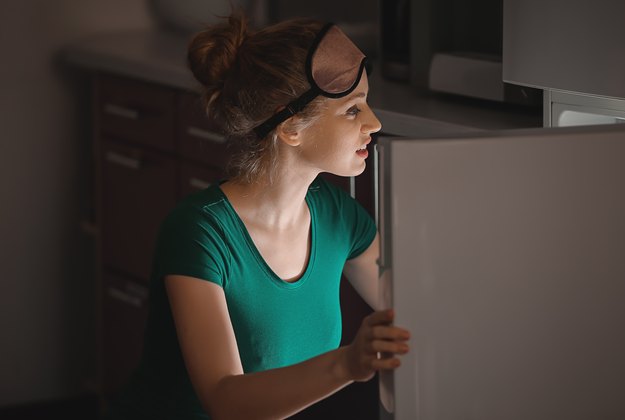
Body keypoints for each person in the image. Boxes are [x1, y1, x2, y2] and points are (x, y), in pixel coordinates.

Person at [104, 10, 410, 420]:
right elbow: (225, 400)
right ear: (291, 128)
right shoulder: (199, 233)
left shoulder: (338, 217)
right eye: (353, 110)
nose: (374, 122)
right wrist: (347, 364)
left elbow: (415, 311)